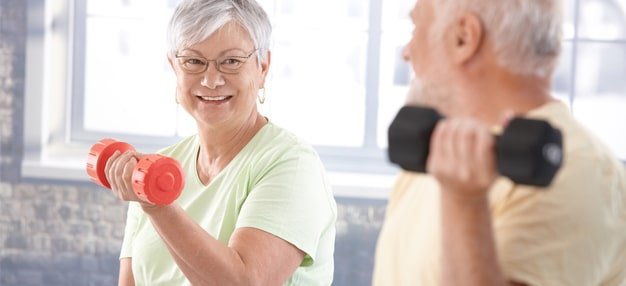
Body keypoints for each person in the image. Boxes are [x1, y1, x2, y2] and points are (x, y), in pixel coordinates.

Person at [373, 0, 626, 285]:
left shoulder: (577, 171)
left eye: (416, 27)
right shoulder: (442, 151)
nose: (407, 53)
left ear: (463, 38)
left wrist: (465, 203)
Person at [104, 0, 337, 285]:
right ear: (174, 67)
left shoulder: (293, 166)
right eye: (193, 61)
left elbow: (245, 282)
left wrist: (157, 205)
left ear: (262, 67)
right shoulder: (157, 169)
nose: (211, 79)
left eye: (231, 61)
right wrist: (151, 199)